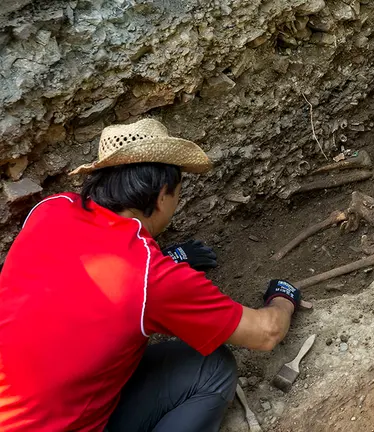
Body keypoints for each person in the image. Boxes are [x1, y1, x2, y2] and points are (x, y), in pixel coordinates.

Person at [0, 118, 302, 431]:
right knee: (213, 368)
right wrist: (283, 298)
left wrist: (166, 263)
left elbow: (83, 282)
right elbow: (266, 333)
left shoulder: (50, 209)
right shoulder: (150, 277)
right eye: (178, 193)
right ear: (161, 196)